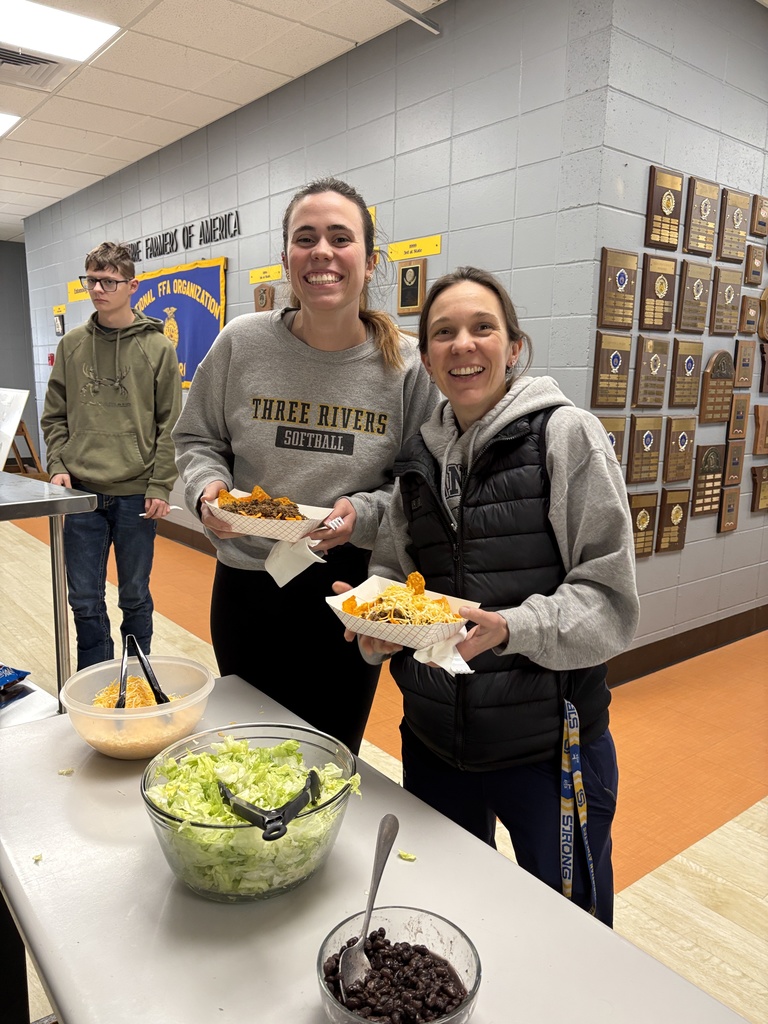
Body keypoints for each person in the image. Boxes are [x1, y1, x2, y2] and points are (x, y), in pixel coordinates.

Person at [335, 267, 640, 925]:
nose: (463, 345)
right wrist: (375, 616)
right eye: (443, 332)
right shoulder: (416, 458)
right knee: (448, 923)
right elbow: (395, 572)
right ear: (425, 356)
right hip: (434, 741)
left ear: (514, 347)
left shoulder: (566, 436)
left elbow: (611, 601)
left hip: (548, 752)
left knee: (569, 931)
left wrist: (511, 627)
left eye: (482, 328)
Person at [172, 177, 438, 754]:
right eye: (306, 238)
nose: (322, 252)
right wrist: (207, 490)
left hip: (349, 590)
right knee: (248, 750)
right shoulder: (241, 343)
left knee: (329, 757)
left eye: (341, 238)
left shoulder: (408, 367)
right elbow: (196, 439)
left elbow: (423, 484)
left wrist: (361, 514)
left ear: (370, 262)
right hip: (249, 581)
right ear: (287, 258)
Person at [41, 241, 182, 670]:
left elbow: (169, 424)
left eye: (108, 281)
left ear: (132, 285)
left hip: (136, 495)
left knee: (134, 594)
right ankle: (96, 681)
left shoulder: (157, 348)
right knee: (83, 598)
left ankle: (137, 679)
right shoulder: (71, 345)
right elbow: (54, 415)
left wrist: (160, 483)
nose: (98, 289)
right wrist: (58, 465)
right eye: (92, 280)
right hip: (82, 493)